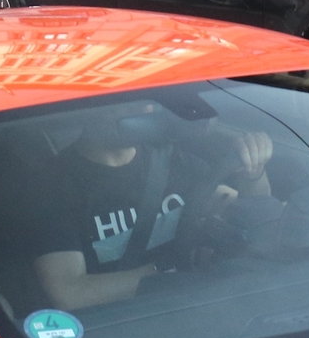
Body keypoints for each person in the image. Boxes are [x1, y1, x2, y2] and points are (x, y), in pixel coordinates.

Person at [21, 99, 276, 312]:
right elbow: (70, 292)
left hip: (196, 306)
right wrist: (169, 272)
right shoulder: (53, 187)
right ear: (92, 107)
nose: (146, 110)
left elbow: (249, 215)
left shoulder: (171, 159)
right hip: (122, 323)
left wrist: (253, 171)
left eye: (146, 101)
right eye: (127, 102)